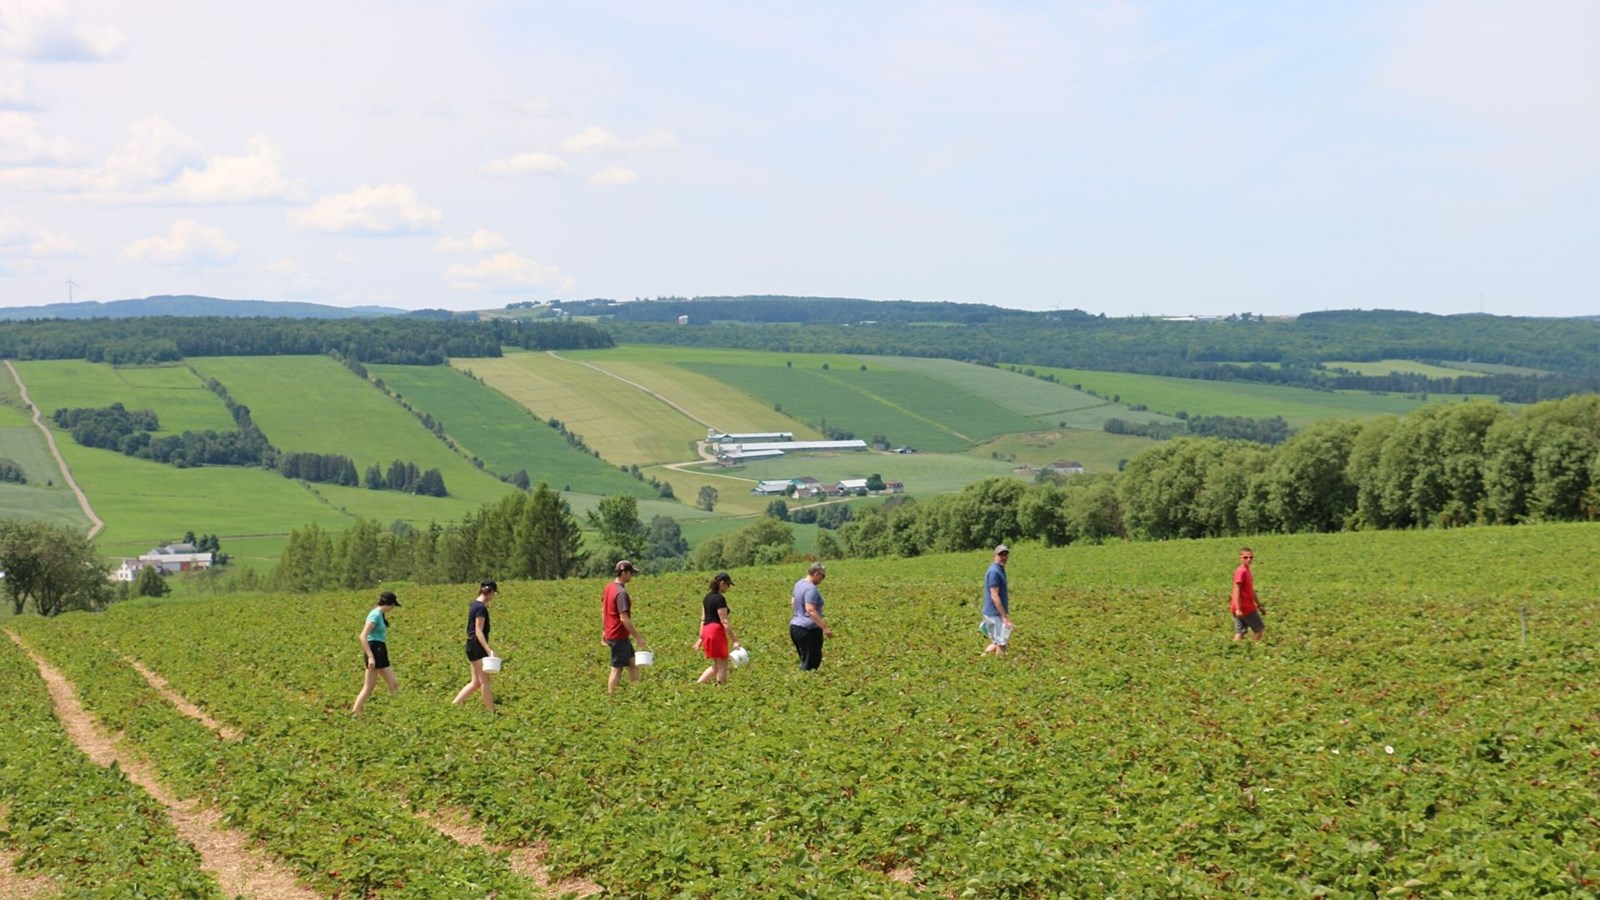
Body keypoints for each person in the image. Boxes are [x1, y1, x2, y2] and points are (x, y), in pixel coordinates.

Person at [602, 560, 649, 694]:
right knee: (617, 668)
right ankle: (611, 697)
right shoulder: (621, 593)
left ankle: (637, 692)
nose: (632, 576)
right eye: (631, 573)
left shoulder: (609, 587)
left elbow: (603, 610)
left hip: (614, 633)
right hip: (618, 635)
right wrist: (638, 637)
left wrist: (604, 631)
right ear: (624, 573)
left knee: (633, 663)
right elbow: (624, 619)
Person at [351, 590, 400, 715]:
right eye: (393, 605)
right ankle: (355, 714)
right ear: (389, 604)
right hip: (374, 650)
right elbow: (363, 636)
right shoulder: (375, 615)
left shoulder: (380, 614)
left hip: (381, 649)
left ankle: (398, 711)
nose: (393, 608)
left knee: (393, 684)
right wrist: (371, 657)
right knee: (369, 687)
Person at [453, 580, 497, 711]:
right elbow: (478, 631)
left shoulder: (475, 604)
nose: (493, 597)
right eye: (494, 594)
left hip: (471, 645)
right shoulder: (481, 608)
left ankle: (454, 705)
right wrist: (489, 650)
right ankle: (491, 711)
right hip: (477, 646)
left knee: (476, 682)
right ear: (490, 593)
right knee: (485, 681)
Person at [696, 572, 739, 685]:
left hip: (707, 630)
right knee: (723, 663)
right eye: (728, 585)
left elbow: (703, 619)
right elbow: (724, 621)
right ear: (722, 583)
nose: (728, 588)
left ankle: (697, 685)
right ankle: (722, 689)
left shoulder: (706, 597)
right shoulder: (720, 599)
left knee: (717, 664)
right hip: (715, 631)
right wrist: (734, 640)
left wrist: (701, 637)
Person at [789, 562, 832, 671]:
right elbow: (810, 609)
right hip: (807, 630)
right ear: (816, 574)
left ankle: (802, 682)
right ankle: (802, 683)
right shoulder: (811, 589)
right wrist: (824, 628)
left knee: (806, 660)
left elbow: (793, 601)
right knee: (811, 662)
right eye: (823, 576)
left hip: (795, 627)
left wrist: (799, 614)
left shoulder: (799, 584)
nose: (822, 579)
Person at [981, 544, 1013, 656]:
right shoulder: (994, 572)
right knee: (1002, 643)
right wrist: (1004, 616)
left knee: (995, 642)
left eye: (1005, 554)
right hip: (995, 613)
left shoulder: (999, 569)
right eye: (1001, 554)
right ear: (995, 555)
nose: (1003, 557)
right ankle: (1000, 667)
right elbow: (994, 595)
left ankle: (981, 659)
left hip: (993, 612)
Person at [1231, 547, 1264, 641]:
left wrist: (1259, 605)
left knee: (1240, 632)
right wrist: (1238, 609)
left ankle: (1233, 651)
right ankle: (1254, 651)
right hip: (1245, 606)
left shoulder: (1247, 570)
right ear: (1240, 558)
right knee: (1259, 629)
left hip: (1239, 606)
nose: (1249, 559)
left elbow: (1251, 590)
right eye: (1245, 557)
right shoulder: (1241, 571)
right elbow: (1236, 590)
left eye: (1251, 557)